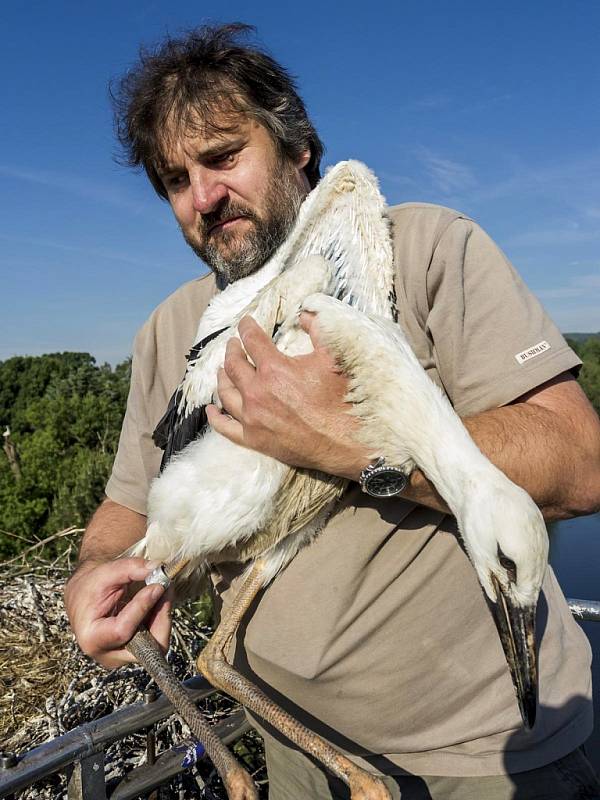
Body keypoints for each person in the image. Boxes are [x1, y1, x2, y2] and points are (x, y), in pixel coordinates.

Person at [65, 22, 600, 800]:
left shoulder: (426, 249)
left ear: (297, 148)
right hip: (295, 755)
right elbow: (126, 500)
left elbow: (582, 463)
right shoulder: (172, 331)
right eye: (176, 180)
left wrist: (351, 441)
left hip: (483, 760)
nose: (204, 198)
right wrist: (91, 573)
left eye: (222, 158)